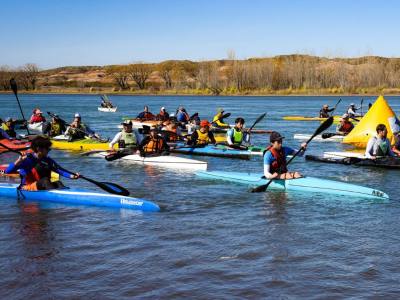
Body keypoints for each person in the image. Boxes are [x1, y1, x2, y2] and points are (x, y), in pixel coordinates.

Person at [5, 136, 79, 191]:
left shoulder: (48, 160)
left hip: (42, 185)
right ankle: (53, 197)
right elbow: (7, 171)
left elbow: (59, 170)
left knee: (58, 183)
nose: (49, 150)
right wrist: (18, 162)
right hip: (27, 187)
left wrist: (72, 176)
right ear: (39, 149)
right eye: (47, 148)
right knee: (45, 180)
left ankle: (64, 195)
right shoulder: (27, 159)